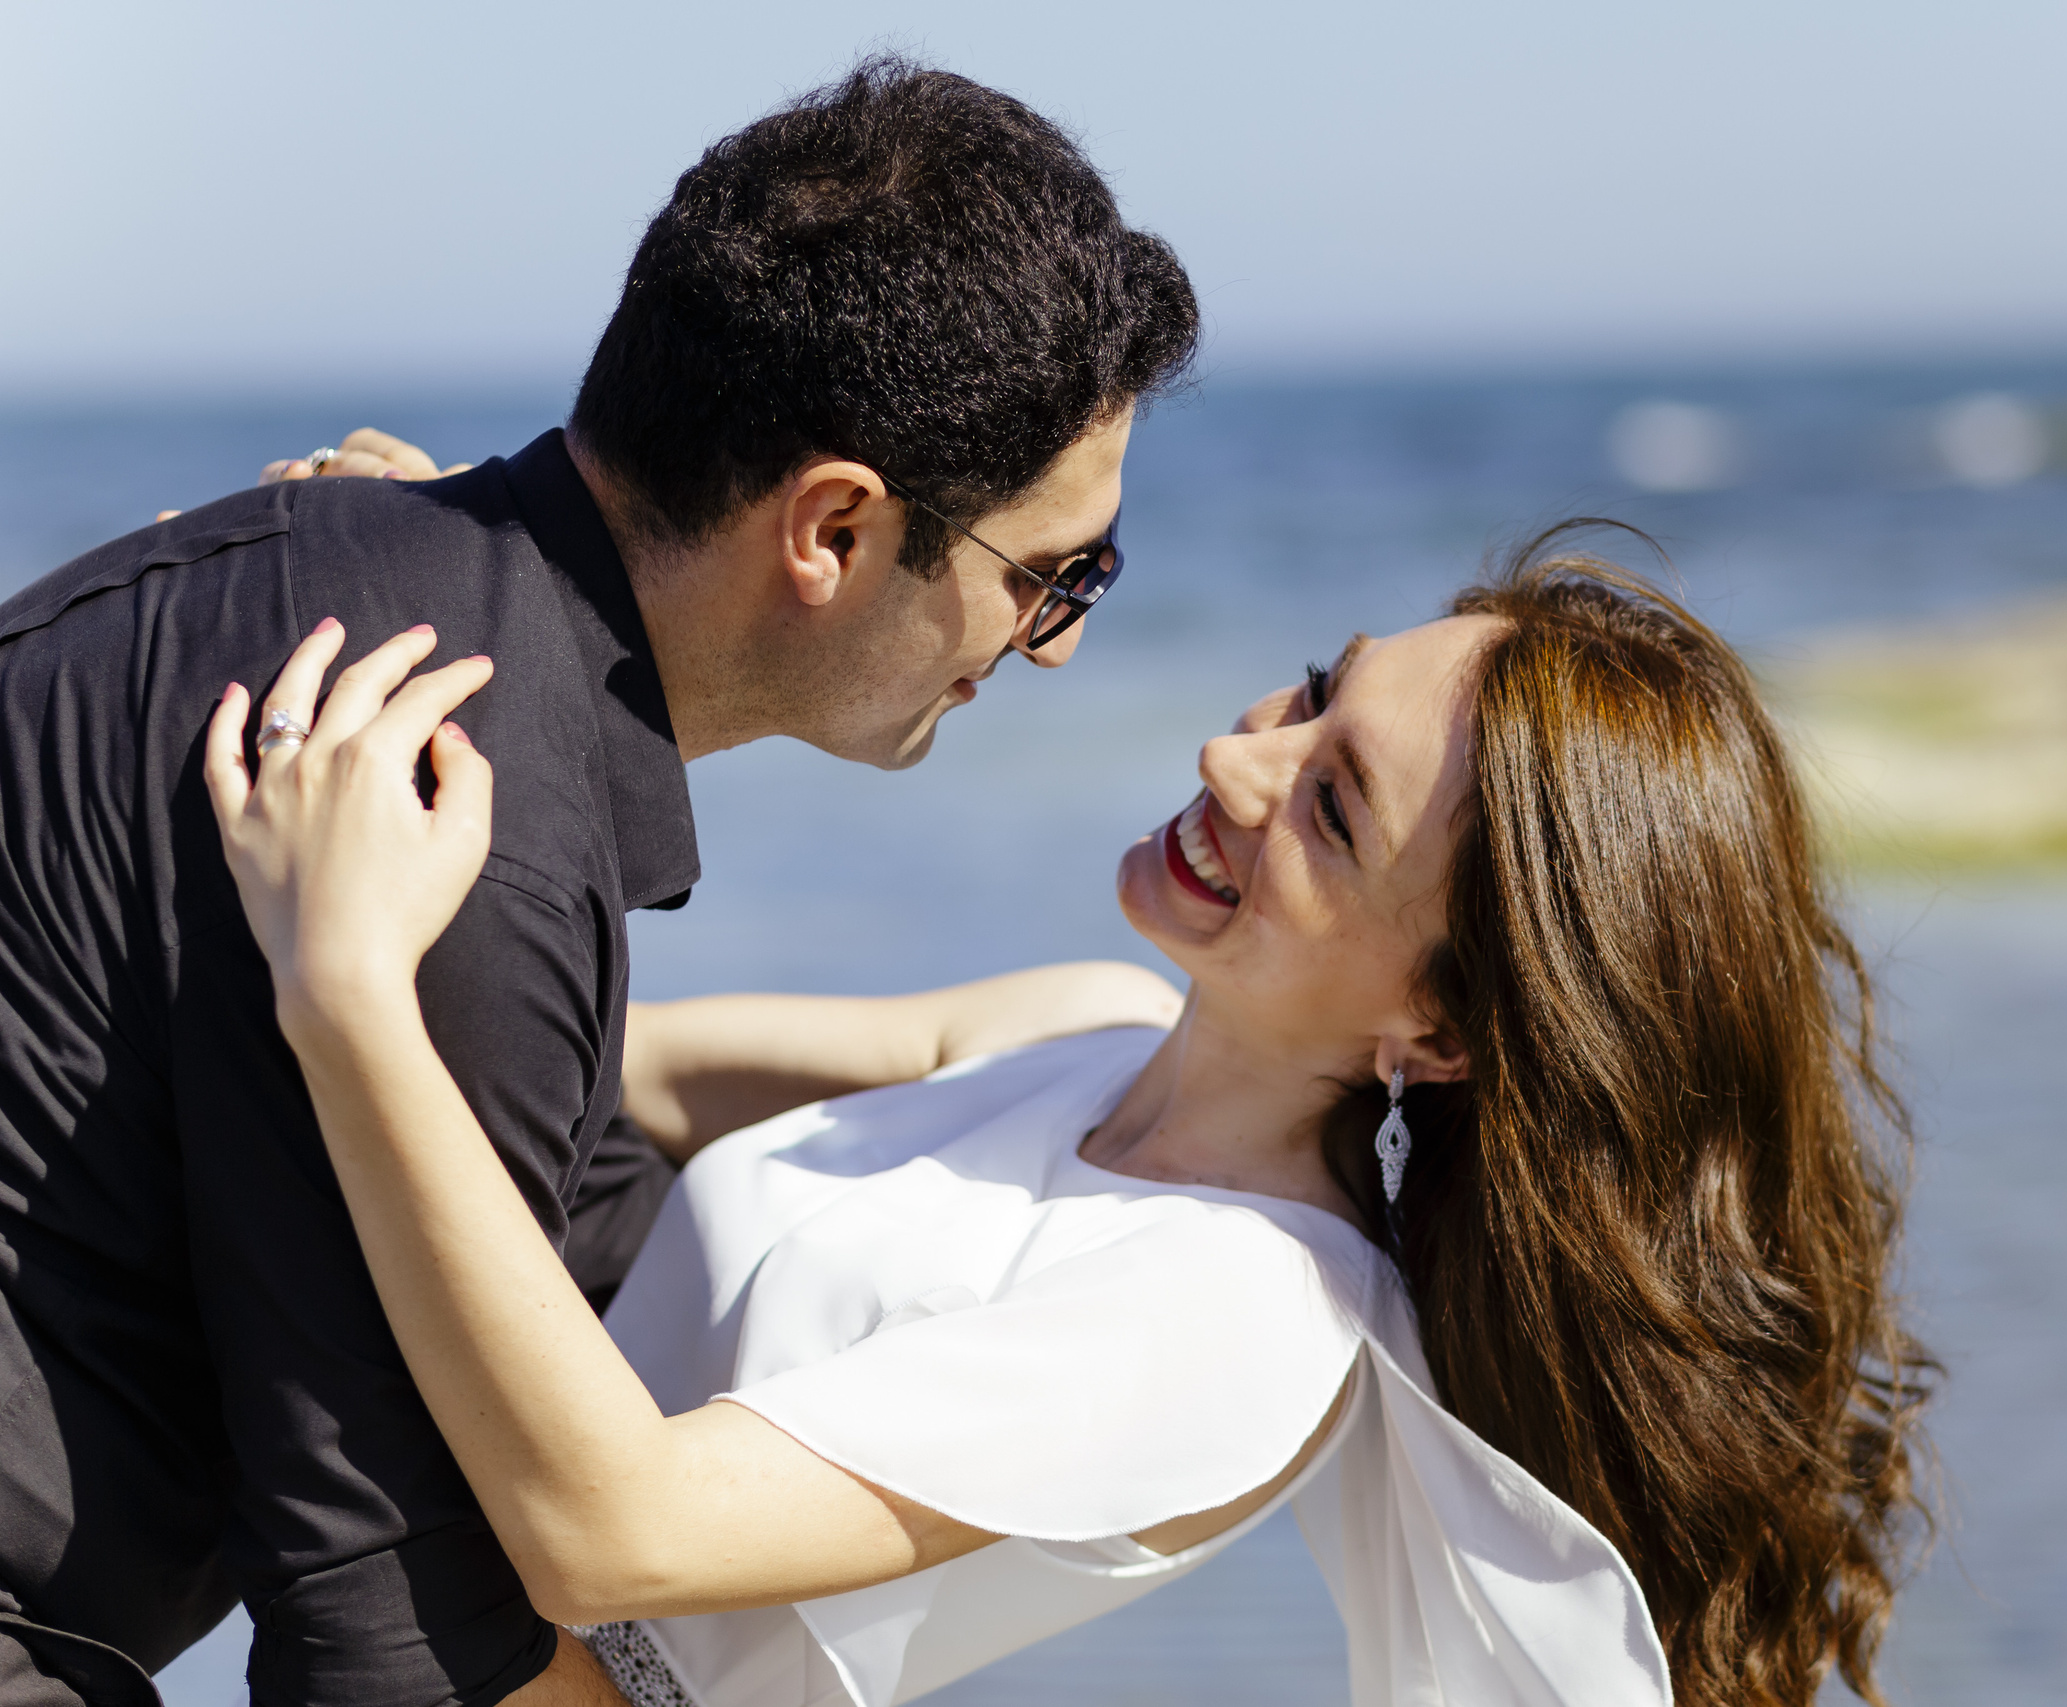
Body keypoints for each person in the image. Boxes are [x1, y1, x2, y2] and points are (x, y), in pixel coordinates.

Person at [206, 535, 1934, 1707]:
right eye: (1312, 688)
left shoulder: (1244, 1327)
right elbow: (611, 1070)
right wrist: (462, 607)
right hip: (419, 1601)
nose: (1238, 756)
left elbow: (617, 1530)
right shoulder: (1085, 1030)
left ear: (1449, 1023)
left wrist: (346, 989)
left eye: (1333, 809)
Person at [0, 58, 1195, 1707]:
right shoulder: (449, 801)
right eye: (1054, 578)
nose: (1047, 647)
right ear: (833, 529)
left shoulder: (386, 601)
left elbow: (555, 1202)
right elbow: (385, 1644)